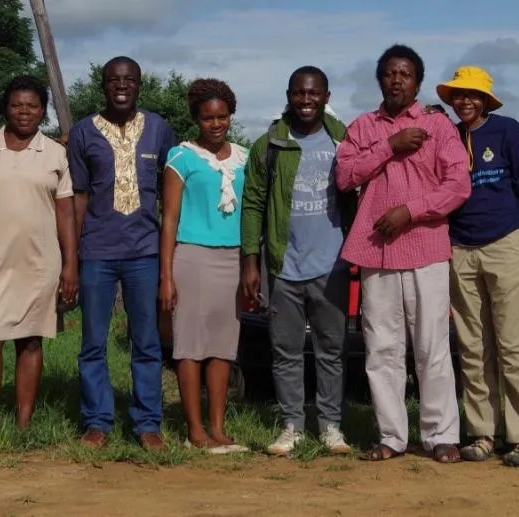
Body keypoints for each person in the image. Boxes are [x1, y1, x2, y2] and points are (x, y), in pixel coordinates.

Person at [336, 44, 471, 464]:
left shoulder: (437, 126)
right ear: (380, 80)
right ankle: (392, 437)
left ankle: (441, 435)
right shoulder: (363, 127)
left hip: (426, 249)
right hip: (376, 253)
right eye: (390, 73)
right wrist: (389, 145)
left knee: (432, 347)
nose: (397, 79)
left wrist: (410, 212)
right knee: (382, 350)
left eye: (406, 73)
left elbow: (458, 185)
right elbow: (344, 176)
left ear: (417, 82)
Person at [0, 76, 78, 437]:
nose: (24, 112)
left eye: (33, 106)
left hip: (39, 262)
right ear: (5, 108)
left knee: (30, 338)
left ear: (43, 111)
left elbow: (65, 213)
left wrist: (71, 264)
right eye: (17, 105)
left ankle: (23, 424)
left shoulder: (55, 154)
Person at [435, 65, 519, 467]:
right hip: (460, 248)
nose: (465, 101)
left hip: (506, 243)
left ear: (485, 99)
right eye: (459, 95)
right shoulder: (445, 134)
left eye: (472, 95)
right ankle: (484, 432)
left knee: (514, 345)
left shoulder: (507, 130)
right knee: (472, 347)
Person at [241, 66, 355, 456]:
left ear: (326, 96)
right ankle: (291, 425)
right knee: (285, 350)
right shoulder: (268, 145)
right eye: (298, 94)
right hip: (282, 265)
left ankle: (330, 427)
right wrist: (251, 262)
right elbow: (253, 203)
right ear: (288, 95)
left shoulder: (345, 141)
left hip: (333, 264)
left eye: (313, 94)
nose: (305, 101)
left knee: (331, 349)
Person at [68, 56, 177, 449]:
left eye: (129, 80)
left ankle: (148, 423)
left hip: (145, 252)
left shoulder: (159, 130)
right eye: (114, 79)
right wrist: (73, 258)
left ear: (139, 85)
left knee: (146, 342)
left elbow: (171, 193)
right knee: (93, 342)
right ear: (103, 85)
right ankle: (97, 421)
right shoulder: (83, 132)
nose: (121, 85)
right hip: (96, 251)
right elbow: (79, 197)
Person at [160, 78, 250, 454]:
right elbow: (169, 217)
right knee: (190, 346)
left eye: (222, 117)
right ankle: (194, 428)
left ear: (230, 116)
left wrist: (250, 265)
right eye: (208, 118)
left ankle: (218, 426)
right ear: (196, 118)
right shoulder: (180, 157)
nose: (216, 124)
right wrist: (166, 274)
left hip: (232, 259)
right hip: (192, 257)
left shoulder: (245, 157)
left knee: (222, 346)